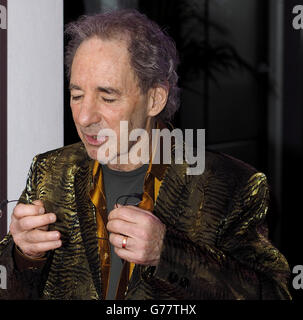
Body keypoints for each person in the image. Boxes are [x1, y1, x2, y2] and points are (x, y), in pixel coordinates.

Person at [0, 9, 291, 300]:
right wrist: (24, 255)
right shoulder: (51, 170)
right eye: (76, 95)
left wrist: (168, 254)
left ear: (155, 99)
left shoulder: (231, 185)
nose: (85, 116)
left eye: (107, 97)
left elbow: (273, 295)